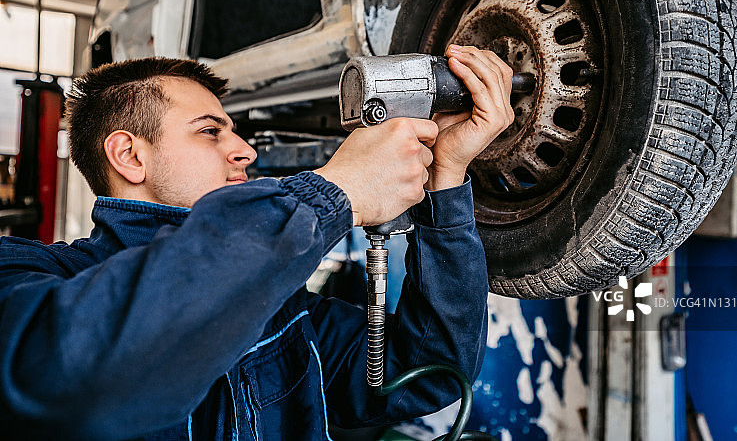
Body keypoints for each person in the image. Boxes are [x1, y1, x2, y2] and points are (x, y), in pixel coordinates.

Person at [0, 45, 514, 440]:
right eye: (210, 131)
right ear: (130, 156)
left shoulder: (283, 308)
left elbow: (430, 372)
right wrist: (332, 193)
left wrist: (446, 177)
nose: (244, 150)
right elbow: (79, 377)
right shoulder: (24, 273)